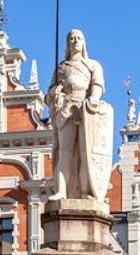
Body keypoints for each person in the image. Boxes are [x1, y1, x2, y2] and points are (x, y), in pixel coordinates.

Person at [45, 29, 114, 201]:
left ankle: (87, 192)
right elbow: (48, 96)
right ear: (67, 44)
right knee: (65, 153)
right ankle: (62, 191)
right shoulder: (61, 68)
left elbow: (97, 85)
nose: (75, 41)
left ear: (84, 43)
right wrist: (55, 91)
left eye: (79, 38)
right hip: (66, 110)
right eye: (72, 38)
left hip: (86, 111)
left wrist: (94, 98)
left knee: (86, 153)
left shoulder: (92, 65)